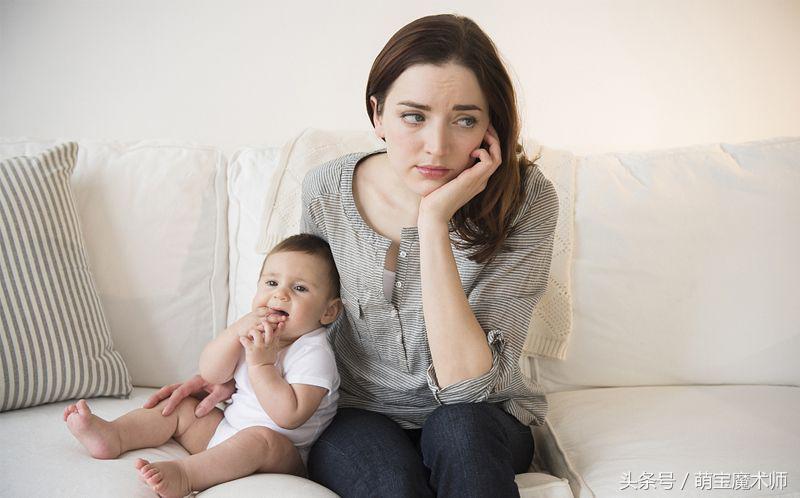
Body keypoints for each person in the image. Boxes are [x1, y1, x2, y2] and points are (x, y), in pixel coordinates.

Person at [146, 13, 559, 497]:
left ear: (492, 125)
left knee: (458, 430)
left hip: (483, 418)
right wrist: (240, 375)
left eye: (465, 119)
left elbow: (466, 387)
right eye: (413, 116)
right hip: (359, 412)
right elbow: (303, 308)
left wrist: (432, 223)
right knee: (388, 482)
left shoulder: (524, 200)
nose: (437, 146)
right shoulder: (327, 190)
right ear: (377, 114)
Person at [64, 234, 341, 498]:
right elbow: (211, 373)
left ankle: (185, 475)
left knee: (261, 439)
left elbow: (289, 416)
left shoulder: (314, 353)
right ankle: (115, 436)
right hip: (225, 434)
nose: (280, 296)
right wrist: (234, 332)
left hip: (278, 456)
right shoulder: (254, 330)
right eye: (271, 283)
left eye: (299, 288)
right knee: (182, 408)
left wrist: (261, 364)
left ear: (328, 311)